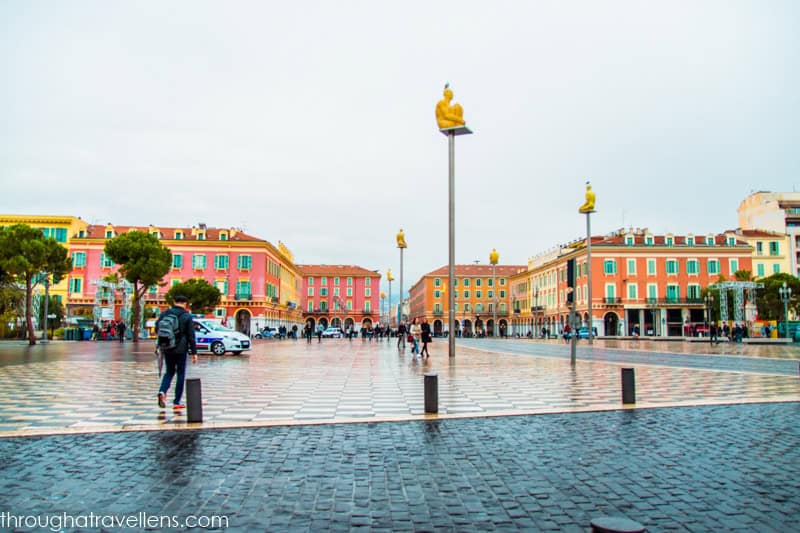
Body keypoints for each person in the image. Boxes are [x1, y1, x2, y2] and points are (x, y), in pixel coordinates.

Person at [156, 296, 197, 411]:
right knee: (180, 374)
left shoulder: (165, 314)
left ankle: (162, 391)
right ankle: (176, 401)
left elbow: (156, 328)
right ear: (185, 303)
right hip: (181, 349)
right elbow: (191, 336)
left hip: (167, 347)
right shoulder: (187, 316)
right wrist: (194, 352)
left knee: (169, 372)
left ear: (174, 302)